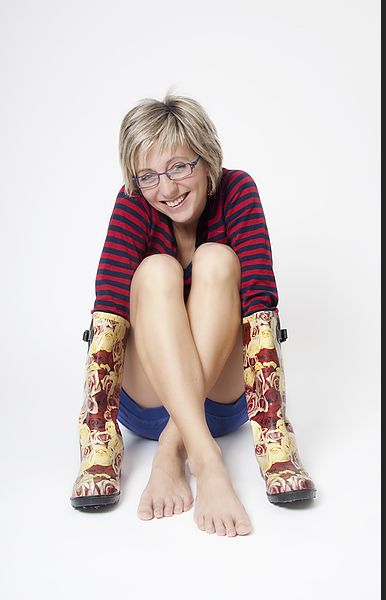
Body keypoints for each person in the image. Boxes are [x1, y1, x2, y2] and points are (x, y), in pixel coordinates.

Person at [70, 95, 316, 537]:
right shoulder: (133, 204)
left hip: (222, 398)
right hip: (148, 398)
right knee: (156, 269)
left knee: (218, 259)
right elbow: (108, 305)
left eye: (179, 167)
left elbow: (260, 298)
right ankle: (208, 460)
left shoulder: (237, 189)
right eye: (148, 176)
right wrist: (98, 442)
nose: (166, 189)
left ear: (207, 161)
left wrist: (270, 431)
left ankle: (174, 450)